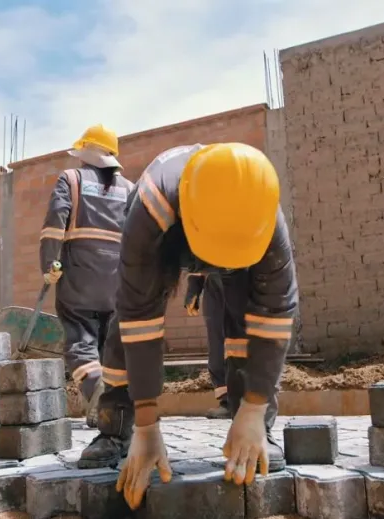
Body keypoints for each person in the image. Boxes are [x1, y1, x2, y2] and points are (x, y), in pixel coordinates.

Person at [75, 142, 298, 510]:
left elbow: (275, 313)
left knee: (247, 321)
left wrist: (256, 406)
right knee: (124, 329)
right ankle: (115, 426)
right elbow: (138, 318)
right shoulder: (149, 212)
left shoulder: (263, 213)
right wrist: (147, 424)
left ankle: (255, 429)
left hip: (224, 231)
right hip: (169, 226)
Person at [39, 124, 135, 429]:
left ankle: (96, 389)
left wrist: (49, 264)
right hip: (119, 278)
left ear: (85, 154)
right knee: (110, 344)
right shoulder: (131, 189)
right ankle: (112, 408)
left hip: (79, 276)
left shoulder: (71, 179)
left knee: (80, 342)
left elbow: (56, 221)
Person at [183, 272, 231, 419]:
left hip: (246, 279)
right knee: (218, 345)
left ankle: (251, 401)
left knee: (246, 342)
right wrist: (193, 288)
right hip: (216, 285)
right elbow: (198, 254)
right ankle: (227, 401)